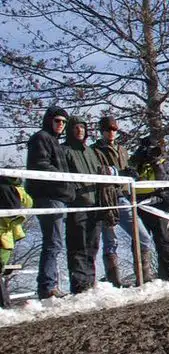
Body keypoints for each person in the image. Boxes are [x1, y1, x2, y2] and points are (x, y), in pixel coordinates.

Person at [92, 116, 154, 286]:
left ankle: (144, 277)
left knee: (143, 237)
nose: (112, 132)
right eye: (108, 129)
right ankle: (114, 282)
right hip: (106, 198)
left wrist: (134, 166)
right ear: (102, 131)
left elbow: (129, 168)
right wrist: (120, 173)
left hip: (124, 196)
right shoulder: (95, 150)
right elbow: (98, 171)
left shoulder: (122, 149)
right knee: (110, 241)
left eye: (114, 129)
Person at [26, 107, 72, 299]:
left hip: (59, 196)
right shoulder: (41, 138)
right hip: (48, 196)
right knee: (53, 242)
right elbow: (40, 164)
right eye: (57, 120)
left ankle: (49, 285)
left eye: (63, 122)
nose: (60, 124)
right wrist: (64, 178)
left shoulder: (54, 141)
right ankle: (47, 287)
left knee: (55, 242)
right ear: (49, 121)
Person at [61, 117, 104, 293]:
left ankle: (90, 281)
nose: (80, 130)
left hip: (95, 203)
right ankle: (79, 285)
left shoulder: (91, 152)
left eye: (82, 127)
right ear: (70, 130)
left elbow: (99, 173)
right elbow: (62, 176)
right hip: (77, 204)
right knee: (78, 244)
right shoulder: (64, 150)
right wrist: (73, 193)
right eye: (76, 127)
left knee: (93, 244)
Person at [129, 135, 169, 280]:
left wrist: (156, 163)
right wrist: (137, 162)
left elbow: (165, 181)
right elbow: (129, 177)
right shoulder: (135, 161)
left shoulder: (164, 162)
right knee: (139, 240)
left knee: (165, 239)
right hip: (139, 204)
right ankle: (143, 274)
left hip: (160, 202)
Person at [0, 176, 32, 309]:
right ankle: (4, 306)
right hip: (6, 240)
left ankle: (4, 306)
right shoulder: (17, 189)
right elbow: (29, 203)